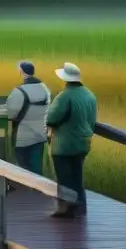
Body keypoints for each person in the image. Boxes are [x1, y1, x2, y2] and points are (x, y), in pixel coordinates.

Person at [45, 62, 98, 219]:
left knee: (65, 178)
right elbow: (92, 121)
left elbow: (51, 118)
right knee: (77, 176)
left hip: (64, 144)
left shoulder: (65, 96)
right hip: (83, 142)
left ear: (65, 79)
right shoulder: (90, 95)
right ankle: (81, 207)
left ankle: (66, 208)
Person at [5, 61, 51, 176]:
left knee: (23, 166)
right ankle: (38, 190)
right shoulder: (45, 89)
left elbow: (10, 113)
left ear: (21, 71)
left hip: (23, 136)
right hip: (40, 134)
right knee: (36, 166)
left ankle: (27, 190)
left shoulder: (19, 91)